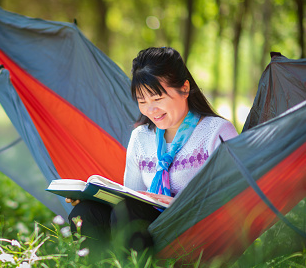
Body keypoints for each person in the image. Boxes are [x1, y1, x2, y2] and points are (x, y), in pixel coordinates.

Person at [66, 47, 238, 255]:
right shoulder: (141, 137)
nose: (150, 110)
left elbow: (235, 196)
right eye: (142, 102)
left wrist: (179, 205)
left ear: (184, 89)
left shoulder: (216, 131)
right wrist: (92, 198)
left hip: (194, 228)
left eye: (157, 99)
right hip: (148, 226)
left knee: (130, 211)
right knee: (85, 213)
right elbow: (131, 193)